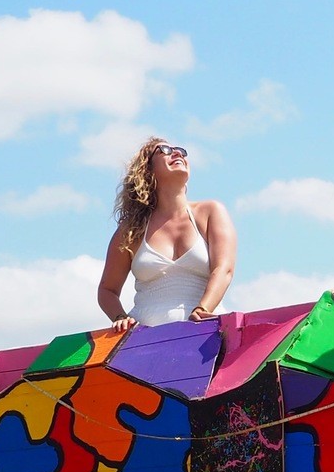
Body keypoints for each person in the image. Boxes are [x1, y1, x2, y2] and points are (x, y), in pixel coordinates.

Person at [96, 138, 236, 330]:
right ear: (147, 170)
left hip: (207, 335)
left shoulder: (210, 211)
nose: (177, 153)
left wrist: (203, 309)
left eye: (180, 150)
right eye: (165, 150)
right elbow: (107, 290)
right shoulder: (132, 230)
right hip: (144, 342)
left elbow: (224, 269)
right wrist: (120, 317)